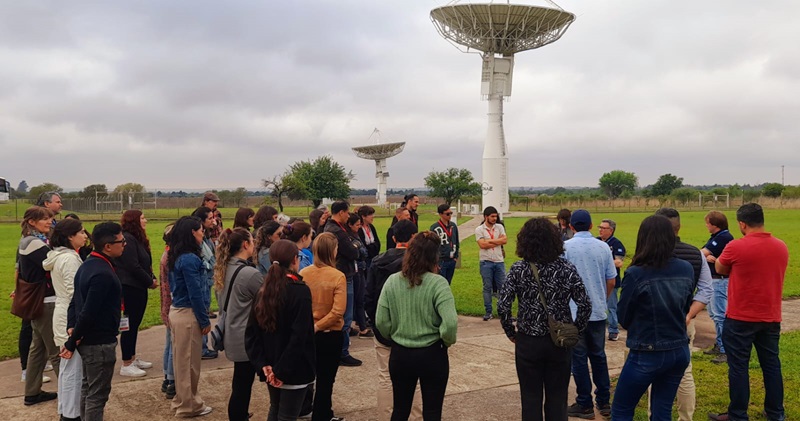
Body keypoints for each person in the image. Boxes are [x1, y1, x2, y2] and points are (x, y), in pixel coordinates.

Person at [498, 217, 591, 421]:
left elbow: (503, 305)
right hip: (559, 340)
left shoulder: (518, 269)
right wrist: (575, 330)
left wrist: (510, 332)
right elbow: (584, 303)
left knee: (530, 398)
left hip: (528, 341)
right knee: (558, 399)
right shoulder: (566, 268)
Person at [708, 203, 789, 421]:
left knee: (738, 367)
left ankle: (738, 414)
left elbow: (720, 268)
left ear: (742, 224)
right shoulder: (781, 246)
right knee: (771, 365)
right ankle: (775, 412)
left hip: (740, 317)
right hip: (771, 316)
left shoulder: (736, 246)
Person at [612, 215, 695, 420]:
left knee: (622, 408)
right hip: (678, 348)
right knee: (662, 409)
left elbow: (623, 316)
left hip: (647, 351)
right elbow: (686, 306)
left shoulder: (636, 273)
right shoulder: (685, 268)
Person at [376, 231, 458, 421]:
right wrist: (445, 340)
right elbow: (450, 323)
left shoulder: (392, 281)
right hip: (432, 353)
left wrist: (394, 335)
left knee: (400, 409)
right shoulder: (438, 284)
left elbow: (381, 320)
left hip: (400, 353)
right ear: (434, 256)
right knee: (431, 411)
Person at [652, 207, 712, 421]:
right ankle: (685, 417)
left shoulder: (649, 255)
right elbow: (706, 289)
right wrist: (689, 314)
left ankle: (655, 415)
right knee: (684, 372)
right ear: (679, 227)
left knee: (655, 371)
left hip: (655, 322)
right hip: (684, 320)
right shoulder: (696, 253)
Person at [61, 222, 126, 420]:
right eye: (121, 241)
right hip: (99, 343)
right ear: (107, 246)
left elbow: (75, 302)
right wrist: (71, 341)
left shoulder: (88, 263)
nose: (124, 244)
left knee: (87, 388)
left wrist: (72, 328)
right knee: (97, 395)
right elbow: (88, 311)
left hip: (88, 339)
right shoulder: (102, 273)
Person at [245, 240, 315, 421]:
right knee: (286, 415)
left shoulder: (264, 290)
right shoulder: (299, 292)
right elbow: (299, 336)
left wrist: (264, 365)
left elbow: (251, 333)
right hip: (292, 368)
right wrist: (278, 371)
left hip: (272, 366)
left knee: (276, 409)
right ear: (294, 260)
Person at [365, 220, 422, 421]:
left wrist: (375, 323)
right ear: (413, 238)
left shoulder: (377, 262)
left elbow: (369, 297)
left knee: (385, 377)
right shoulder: (418, 264)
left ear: (395, 238)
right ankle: (414, 416)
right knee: (413, 380)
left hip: (383, 327)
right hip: (411, 328)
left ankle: (386, 416)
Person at [563, 209, 616, 419]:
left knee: (578, 359)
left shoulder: (565, 247)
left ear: (571, 226)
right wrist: (602, 297)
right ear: (592, 226)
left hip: (574, 312)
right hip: (597, 311)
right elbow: (611, 279)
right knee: (599, 357)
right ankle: (604, 402)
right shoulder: (603, 247)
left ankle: (584, 403)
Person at [214, 228, 263, 421]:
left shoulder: (225, 268)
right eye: (251, 240)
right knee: (242, 383)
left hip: (232, 333)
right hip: (246, 336)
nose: (254, 244)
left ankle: (240, 413)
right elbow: (267, 300)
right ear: (245, 244)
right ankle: (237, 416)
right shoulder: (249, 274)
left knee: (241, 380)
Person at [167, 216, 213, 418]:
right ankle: (188, 406)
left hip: (181, 312)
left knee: (183, 362)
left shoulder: (180, 255)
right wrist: (204, 320)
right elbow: (195, 292)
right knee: (188, 364)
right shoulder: (189, 259)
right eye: (200, 230)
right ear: (192, 233)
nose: (203, 233)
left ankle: (184, 400)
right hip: (187, 314)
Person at [299, 232, 347, 421]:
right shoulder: (338, 276)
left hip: (308, 332)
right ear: (332, 251)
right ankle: (322, 414)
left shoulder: (304, 273)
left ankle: (314, 410)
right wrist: (319, 326)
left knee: (308, 377)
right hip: (329, 333)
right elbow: (338, 311)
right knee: (326, 380)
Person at [42, 218, 86, 420]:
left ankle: (66, 409)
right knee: (72, 368)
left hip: (63, 313)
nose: (85, 236)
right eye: (82, 232)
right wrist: (77, 324)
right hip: (68, 316)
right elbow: (74, 292)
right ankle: (70, 414)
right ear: (70, 236)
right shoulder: (69, 259)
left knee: (69, 367)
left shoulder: (62, 256)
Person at [16, 206, 59, 406]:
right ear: (32, 222)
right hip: (46, 301)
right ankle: (72, 393)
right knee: (57, 350)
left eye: (49, 218)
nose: (49, 221)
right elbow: (54, 264)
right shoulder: (35, 243)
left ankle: (32, 393)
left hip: (38, 302)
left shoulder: (28, 240)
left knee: (38, 349)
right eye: (44, 219)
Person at [115, 210, 157, 377]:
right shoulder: (128, 239)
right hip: (130, 287)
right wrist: (149, 281)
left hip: (138, 287)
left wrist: (150, 277)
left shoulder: (136, 239)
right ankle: (126, 363)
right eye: (142, 218)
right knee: (129, 325)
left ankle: (132, 357)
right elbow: (133, 266)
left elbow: (144, 263)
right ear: (134, 221)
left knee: (135, 324)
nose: (145, 220)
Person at [323, 200, 362, 367]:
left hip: (342, 273)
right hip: (343, 275)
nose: (349, 215)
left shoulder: (332, 227)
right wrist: (355, 246)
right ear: (341, 213)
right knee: (344, 315)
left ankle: (338, 351)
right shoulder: (336, 230)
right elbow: (354, 251)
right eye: (347, 213)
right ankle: (342, 352)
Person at [701, 210, 735, 364]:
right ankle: (720, 344)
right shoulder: (716, 237)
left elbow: (703, 252)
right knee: (715, 314)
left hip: (720, 280)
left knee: (720, 315)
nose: (706, 226)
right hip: (715, 280)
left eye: (707, 223)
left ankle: (725, 350)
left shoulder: (723, 237)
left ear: (714, 224)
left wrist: (705, 256)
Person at [191, 206, 219, 360]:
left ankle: (202, 346)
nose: (213, 221)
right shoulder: (199, 241)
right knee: (201, 311)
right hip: (204, 280)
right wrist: (213, 267)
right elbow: (203, 260)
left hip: (208, 280)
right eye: (210, 218)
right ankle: (201, 348)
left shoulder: (207, 237)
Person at [475, 206, 507, 321]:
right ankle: (488, 312)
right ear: (485, 217)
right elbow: (482, 245)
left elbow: (505, 240)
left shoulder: (499, 227)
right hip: (486, 261)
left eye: (496, 216)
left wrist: (489, 241)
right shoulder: (479, 229)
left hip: (499, 261)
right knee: (487, 287)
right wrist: (497, 241)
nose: (495, 218)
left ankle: (504, 312)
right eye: (492, 216)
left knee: (503, 287)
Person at [596, 219, 625, 341]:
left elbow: (619, 262)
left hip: (611, 280)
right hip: (597, 280)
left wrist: (605, 262)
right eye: (600, 227)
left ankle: (613, 329)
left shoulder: (616, 244)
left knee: (611, 306)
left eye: (604, 228)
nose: (600, 230)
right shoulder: (595, 241)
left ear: (611, 230)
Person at [159, 224, 177, 399]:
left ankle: (166, 376)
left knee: (168, 343)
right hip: (172, 304)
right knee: (173, 345)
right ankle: (172, 380)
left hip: (166, 304)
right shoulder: (172, 257)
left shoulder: (167, 253)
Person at [348, 212, 372, 338]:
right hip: (356, 270)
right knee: (357, 299)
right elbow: (360, 252)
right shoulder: (349, 237)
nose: (359, 227)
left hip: (360, 268)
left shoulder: (355, 236)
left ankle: (361, 325)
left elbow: (364, 252)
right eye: (357, 225)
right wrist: (358, 248)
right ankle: (361, 327)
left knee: (360, 298)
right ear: (350, 225)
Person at [431, 204, 459, 285]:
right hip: (441, 260)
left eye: (451, 213)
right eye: (447, 214)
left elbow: (456, 241)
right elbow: (432, 246)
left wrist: (456, 256)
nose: (450, 215)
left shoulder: (453, 226)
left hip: (452, 259)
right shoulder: (435, 228)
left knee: (448, 282)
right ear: (440, 214)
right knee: (441, 283)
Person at [357, 205, 381, 270]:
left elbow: (377, 242)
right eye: (370, 215)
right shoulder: (359, 229)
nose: (372, 216)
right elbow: (363, 245)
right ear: (363, 216)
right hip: (366, 260)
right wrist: (372, 247)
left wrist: (373, 247)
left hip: (374, 258)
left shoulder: (371, 227)